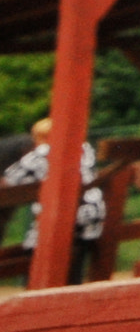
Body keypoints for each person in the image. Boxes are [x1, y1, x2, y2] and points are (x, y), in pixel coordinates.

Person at [2, 118, 106, 284]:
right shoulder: (84, 148)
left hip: (65, 217)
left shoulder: (42, 151)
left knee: (32, 249)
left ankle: (34, 287)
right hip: (92, 218)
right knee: (73, 259)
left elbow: (9, 181)